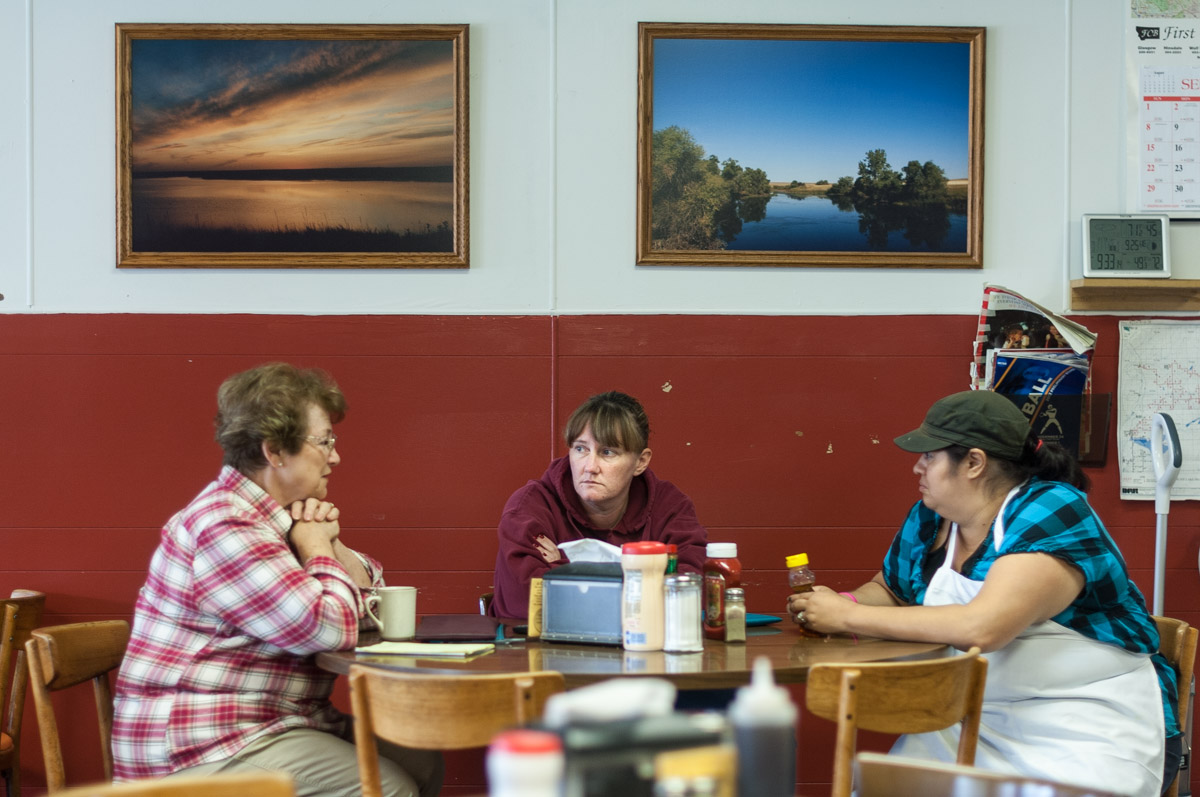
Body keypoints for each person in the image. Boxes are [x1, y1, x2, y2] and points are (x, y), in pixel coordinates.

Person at [787, 390, 1180, 796]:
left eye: (930, 456)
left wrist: (847, 617)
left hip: (1088, 728)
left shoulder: (1051, 509)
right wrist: (840, 603)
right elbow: (891, 589)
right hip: (972, 720)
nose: (918, 467)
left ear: (974, 462)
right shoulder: (931, 518)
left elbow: (984, 627)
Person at [112, 363, 443, 797]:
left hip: (274, 724)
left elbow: (369, 615)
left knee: (419, 758)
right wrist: (316, 547)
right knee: (387, 788)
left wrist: (329, 542)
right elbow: (328, 628)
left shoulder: (276, 519)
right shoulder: (225, 524)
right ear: (275, 452)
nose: (335, 457)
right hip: (199, 746)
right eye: (324, 441)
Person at [489, 391, 707, 619]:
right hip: (535, 643)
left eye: (607, 452)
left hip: (644, 639)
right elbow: (528, 602)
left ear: (640, 462)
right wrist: (647, 579)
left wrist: (565, 567)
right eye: (580, 449)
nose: (590, 467)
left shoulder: (671, 507)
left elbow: (691, 593)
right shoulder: (528, 509)